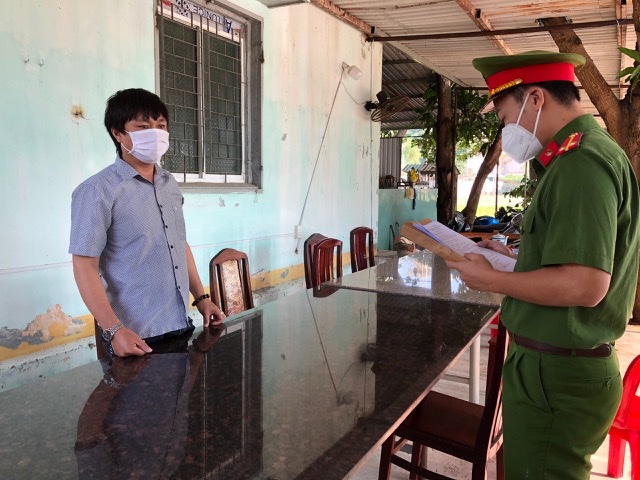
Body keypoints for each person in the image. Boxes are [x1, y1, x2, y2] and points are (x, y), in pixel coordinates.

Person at [447, 50, 640, 479]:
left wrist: (492, 279)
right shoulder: (574, 159)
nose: (506, 131)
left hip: (559, 374)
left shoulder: (581, 163)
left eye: (505, 117)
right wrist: (514, 260)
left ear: (535, 98)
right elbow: (568, 261)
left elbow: (585, 285)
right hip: (553, 365)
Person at [70, 88, 225, 358]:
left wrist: (201, 299)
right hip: (135, 336)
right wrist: (114, 330)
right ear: (118, 133)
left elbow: (179, 244)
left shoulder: (169, 184)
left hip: (180, 322)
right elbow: (85, 265)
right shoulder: (97, 191)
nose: (155, 133)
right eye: (143, 127)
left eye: (160, 126)